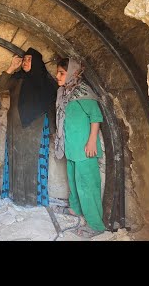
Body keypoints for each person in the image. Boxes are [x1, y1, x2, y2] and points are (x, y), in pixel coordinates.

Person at [0, 48, 57, 207]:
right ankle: (16, 195)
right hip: (16, 129)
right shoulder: (17, 78)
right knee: (17, 160)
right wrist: (11, 67)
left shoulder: (46, 82)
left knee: (31, 162)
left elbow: (50, 107)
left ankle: (32, 198)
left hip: (34, 131)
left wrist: (52, 130)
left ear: (36, 62)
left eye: (29, 59)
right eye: (24, 59)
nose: (25, 62)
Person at [55, 57, 105, 238]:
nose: (57, 76)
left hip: (85, 149)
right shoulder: (65, 93)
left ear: (73, 73)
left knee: (88, 186)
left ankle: (96, 224)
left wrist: (92, 141)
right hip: (71, 148)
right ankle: (76, 209)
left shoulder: (83, 91)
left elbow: (96, 117)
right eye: (57, 72)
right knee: (74, 182)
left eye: (61, 73)